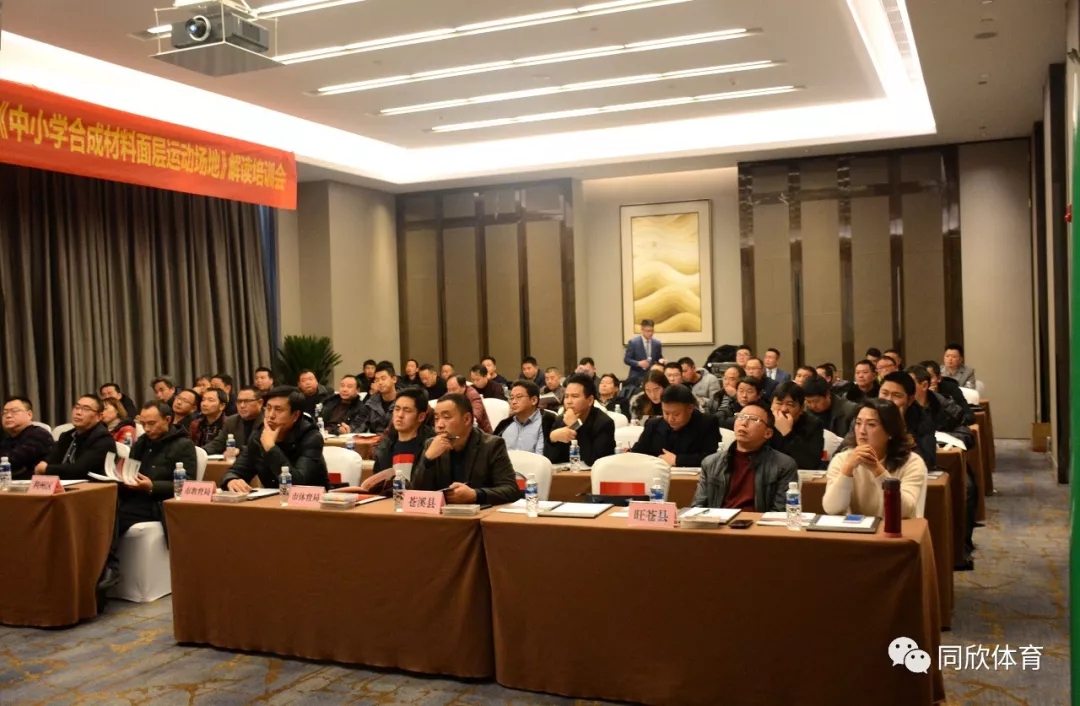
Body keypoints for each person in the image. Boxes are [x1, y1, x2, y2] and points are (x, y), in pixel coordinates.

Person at [99, 400, 198, 590]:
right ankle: (100, 565)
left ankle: (109, 567)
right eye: (143, 424)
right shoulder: (142, 442)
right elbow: (131, 469)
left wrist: (153, 486)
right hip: (135, 495)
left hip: (159, 502)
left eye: (151, 423)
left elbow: (189, 484)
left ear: (167, 420)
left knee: (116, 515)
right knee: (102, 508)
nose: (146, 428)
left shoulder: (183, 444)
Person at [822, 398, 927, 519]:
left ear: (890, 432)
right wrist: (847, 470)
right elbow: (832, 508)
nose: (862, 431)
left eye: (871, 424)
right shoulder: (842, 459)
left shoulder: (912, 462)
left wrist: (877, 470)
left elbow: (903, 511)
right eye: (858, 423)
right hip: (857, 529)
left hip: (897, 528)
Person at [411, 393, 522, 505]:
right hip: (442, 513)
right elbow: (415, 494)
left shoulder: (492, 445)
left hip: (479, 513)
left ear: (467, 419)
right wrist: (427, 459)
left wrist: (475, 495)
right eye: (436, 418)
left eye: (447, 417)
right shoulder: (431, 444)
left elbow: (511, 490)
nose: (439, 425)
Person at [691, 403, 798, 512]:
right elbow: (698, 507)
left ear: (768, 433)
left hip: (759, 522)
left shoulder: (783, 465)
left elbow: (780, 512)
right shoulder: (711, 463)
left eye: (753, 419)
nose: (744, 423)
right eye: (741, 417)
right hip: (719, 521)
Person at [221, 386, 328, 491]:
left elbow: (297, 482)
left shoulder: (311, 437)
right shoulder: (259, 436)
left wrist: (271, 448)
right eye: (268, 408)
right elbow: (235, 471)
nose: (271, 415)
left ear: (295, 415)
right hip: (272, 500)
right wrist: (232, 480)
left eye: (278, 409)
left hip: (310, 500)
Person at [344, 387, 435, 494]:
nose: (400, 415)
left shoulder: (431, 446)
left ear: (421, 417)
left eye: (407, 410)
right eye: (397, 409)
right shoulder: (384, 447)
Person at [631, 384, 721, 467]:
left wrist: (678, 460)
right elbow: (638, 453)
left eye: (676, 414)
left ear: (690, 408)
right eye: (666, 413)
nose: (670, 419)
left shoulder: (707, 423)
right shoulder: (652, 425)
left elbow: (712, 458)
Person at [35, 395, 114, 480]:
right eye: (77, 407)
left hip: (92, 485)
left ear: (99, 417)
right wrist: (44, 464)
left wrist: (46, 469)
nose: (78, 412)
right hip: (63, 483)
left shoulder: (103, 439)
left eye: (86, 409)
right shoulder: (67, 436)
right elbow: (50, 459)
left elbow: (79, 470)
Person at [546, 374, 616, 466]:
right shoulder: (560, 420)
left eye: (575, 396)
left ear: (590, 400)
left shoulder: (604, 423)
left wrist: (575, 425)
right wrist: (553, 438)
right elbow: (549, 460)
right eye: (566, 396)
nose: (569, 401)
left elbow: (594, 461)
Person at [877, 371, 936, 469]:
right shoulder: (866, 413)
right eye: (884, 393)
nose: (888, 400)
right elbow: (850, 446)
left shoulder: (922, 419)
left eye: (896, 395)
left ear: (910, 400)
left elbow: (927, 460)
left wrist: (900, 426)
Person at [768, 381, 825, 470]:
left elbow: (811, 463)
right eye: (779, 403)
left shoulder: (814, 425)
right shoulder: (764, 421)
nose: (783, 409)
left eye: (790, 404)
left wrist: (788, 433)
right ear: (771, 406)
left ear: (801, 409)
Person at [0, 397, 55, 480]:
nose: (8, 416)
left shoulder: (39, 435)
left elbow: (13, 461)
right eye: (5, 412)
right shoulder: (7, 438)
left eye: (14, 411)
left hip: (35, 484)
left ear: (29, 415)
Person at [495, 380, 555, 455]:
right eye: (512, 398)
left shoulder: (547, 422)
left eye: (519, 397)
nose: (513, 402)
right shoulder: (505, 424)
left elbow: (542, 458)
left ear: (534, 400)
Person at [204, 386, 265, 458]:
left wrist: (240, 451)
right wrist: (198, 451)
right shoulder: (232, 421)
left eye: (247, 401)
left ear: (260, 403)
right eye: (239, 401)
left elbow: (262, 448)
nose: (242, 406)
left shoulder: (268, 420)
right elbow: (217, 444)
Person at [919, 359, 974, 424]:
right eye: (922, 378)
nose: (926, 382)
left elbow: (969, 416)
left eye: (930, 377)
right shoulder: (916, 392)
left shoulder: (951, 389)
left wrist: (934, 396)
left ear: (939, 378)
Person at [361, 362, 399, 434]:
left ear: (394, 379)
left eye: (383, 378)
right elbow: (360, 423)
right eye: (377, 380)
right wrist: (349, 430)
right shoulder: (371, 402)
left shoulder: (404, 401)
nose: (380, 383)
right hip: (375, 439)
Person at [624, 318, 663, 384]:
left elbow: (659, 359)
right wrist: (638, 363)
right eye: (648, 331)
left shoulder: (657, 343)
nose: (650, 333)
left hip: (652, 377)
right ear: (642, 330)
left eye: (652, 331)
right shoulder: (633, 342)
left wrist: (662, 361)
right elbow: (626, 359)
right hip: (636, 377)